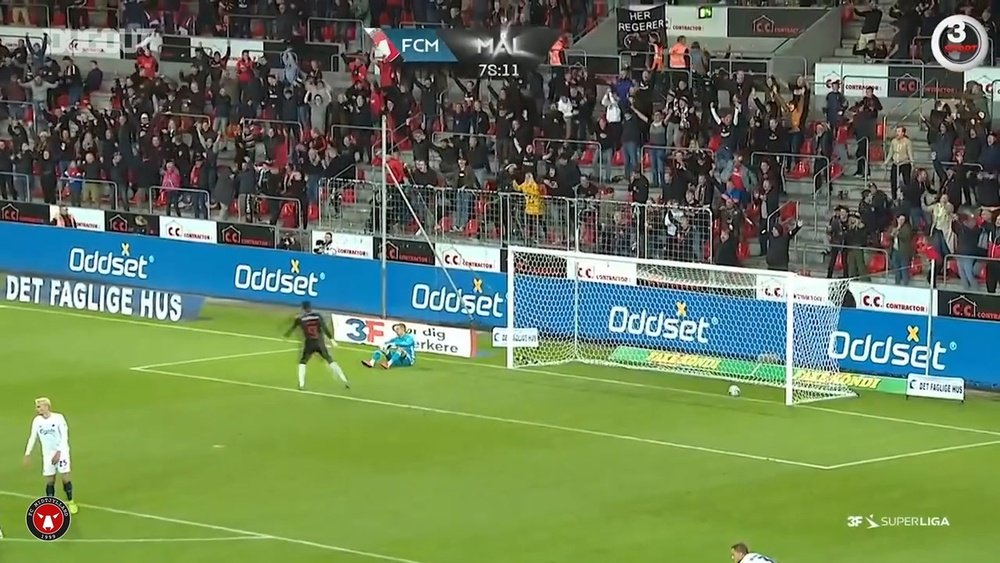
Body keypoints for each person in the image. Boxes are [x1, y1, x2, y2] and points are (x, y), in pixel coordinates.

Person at [22, 398, 78, 514]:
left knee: (65, 478)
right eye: (37, 407)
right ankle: (51, 505)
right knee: (49, 480)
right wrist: (27, 454)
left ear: (47, 406)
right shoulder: (37, 421)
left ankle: (71, 501)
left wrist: (59, 452)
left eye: (39, 406)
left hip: (61, 453)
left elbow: (64, 436)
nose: (37, 409)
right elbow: (33, 437)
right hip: (47, 455)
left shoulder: (58, 418)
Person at [283, 301, 350, 390]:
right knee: (330, 360)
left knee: (303, 362)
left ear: (302, 308)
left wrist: (286, 336)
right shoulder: (317, 316)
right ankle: (344, 380)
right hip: (319, 343)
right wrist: (332, 340)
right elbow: (324, 328)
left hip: (309, 343)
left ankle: (301, 384)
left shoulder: (299, 318)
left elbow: (292, 328)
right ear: (310, 308)